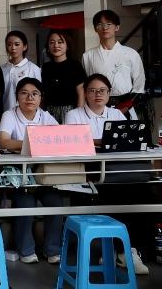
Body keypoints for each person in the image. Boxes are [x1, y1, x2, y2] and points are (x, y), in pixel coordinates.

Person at [64, 74, 149, 275]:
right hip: (89, 170)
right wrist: (102, 141)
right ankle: (114, 250)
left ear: (109, 93)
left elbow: (127, 141)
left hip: (116, 169)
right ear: (85, 93)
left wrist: (96, 140)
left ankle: (127, 250)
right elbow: (75, 142)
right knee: (113, 195)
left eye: (102, 90)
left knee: (140, 194)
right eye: (92, 91)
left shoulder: (116, 114)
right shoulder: (74, 115)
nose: (98, 94)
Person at [0, 78, 62, 264]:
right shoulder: (9, 115)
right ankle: (26, 250)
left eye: (35, 94)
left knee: (55, 202)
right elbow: (4, 141)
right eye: (24, 93)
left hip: (44, 174)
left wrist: (30, 144)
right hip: (18, 176)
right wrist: (38, 142)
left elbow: (59, 139)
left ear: (41, 98)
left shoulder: (46, 116)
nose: (29, 97)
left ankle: (52, 250)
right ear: (17, 96)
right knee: (25, 202)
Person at [82, 9, 145, 118]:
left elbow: (139, 84)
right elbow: (88, 83)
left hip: (126, 105)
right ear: (95, 29)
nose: (105, 28)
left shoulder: (130, 53)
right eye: (100, 24)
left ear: (117, 27)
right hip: (99, 106)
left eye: (109, 24)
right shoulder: (88, 56)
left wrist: (126, 106)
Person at [41, 30, 86, 123]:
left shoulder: (75, 65)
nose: (56, 45)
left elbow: (81, 93)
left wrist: (78, 114)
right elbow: (43, 94)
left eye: (60, 42)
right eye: (52, 42)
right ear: (48, 47)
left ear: (67, 46)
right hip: (49, 112)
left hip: (70, 111)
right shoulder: (46, 67)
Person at [0, 31, 41, 113]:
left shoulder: (33, 69)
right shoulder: (1, 69)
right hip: (4, 113)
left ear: (25, 47)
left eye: (17, 44)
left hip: (26, 114)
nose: (13, 48)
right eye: (9, 44)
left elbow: (38, 94)